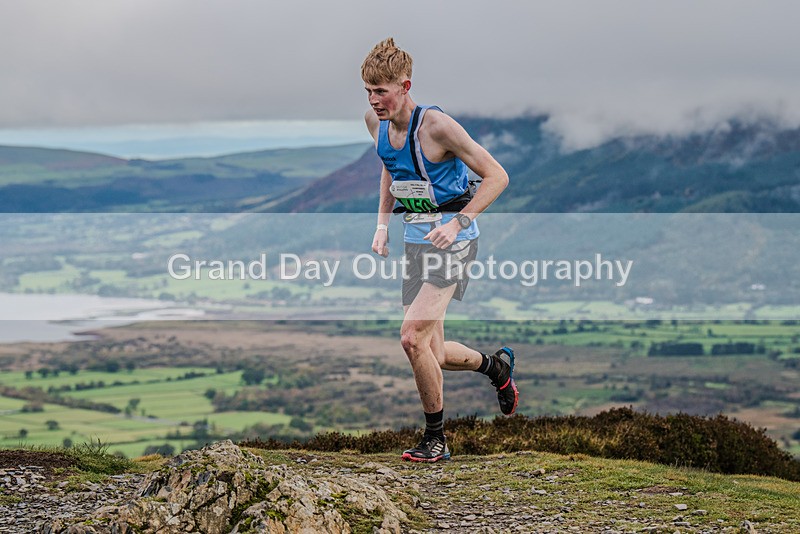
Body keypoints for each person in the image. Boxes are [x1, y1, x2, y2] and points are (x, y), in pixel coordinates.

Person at [362, 38, 519, 462]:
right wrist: (382, 226)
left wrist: (458, 221)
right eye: (368, 92)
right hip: (417, 241)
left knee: (411, 338)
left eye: (382, 91)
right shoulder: (374, 122)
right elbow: (390, 168)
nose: (375, 101)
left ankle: (436, 439)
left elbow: (497, 177)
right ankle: (496, 368)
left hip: (455, 242)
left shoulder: (437, 126)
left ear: (405, 85)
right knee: (432, 350)